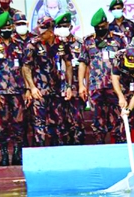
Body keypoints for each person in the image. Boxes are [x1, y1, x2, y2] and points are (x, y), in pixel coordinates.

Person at [22, 16, 73, 146]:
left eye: (43, 32)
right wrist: (32, 87)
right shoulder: (33, 44)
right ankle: (40, 151)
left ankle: (58, 150)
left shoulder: (61, 44)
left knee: (58, 122)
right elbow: (26, 67)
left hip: (57, 88)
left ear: (51, 31)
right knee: (39, 123)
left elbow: (68, 64)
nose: (40, 35)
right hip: (40, 89)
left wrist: (68, 86)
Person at [78, 8, 127, 144]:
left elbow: (127, 62)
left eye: (102, 27)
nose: (100, 29)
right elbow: (83, 63)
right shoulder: (88, 41)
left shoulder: (119, 39)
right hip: (96, 88)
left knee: (118, 122)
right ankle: (100, 150)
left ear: (106, 24)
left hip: (115, 88)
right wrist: (81, 85)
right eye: (97, 28)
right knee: (98, 123)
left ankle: (120, 150)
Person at [0, 12, 25, 166]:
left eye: (10, 26)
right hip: (0, 92)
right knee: (1, 125)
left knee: (18, 124)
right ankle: (3, 155)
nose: (8, 29)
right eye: (5, 27)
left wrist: (27, 89)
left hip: (17, 91)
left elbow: (25, 68)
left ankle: (16, 154)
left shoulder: (19, 45)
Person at [54, 12, 86, 145]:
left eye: (65, 26)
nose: (63, 28)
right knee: (60, 120)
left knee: (77, 119)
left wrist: (83, 86)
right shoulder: (52, 44)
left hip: (75, 86)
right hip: (56, 87)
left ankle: (78, 144)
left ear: (71, 26)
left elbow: (85, 65)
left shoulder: (80, 43)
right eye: (60, 26)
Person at [12, 12, 35, 147]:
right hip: (17, 85)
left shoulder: (34, 39)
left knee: (35, 117)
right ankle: (22, 146)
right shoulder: (12, 41)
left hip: (34, 83)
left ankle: (36, 145)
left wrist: (30, 87)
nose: (21, 26)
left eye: (23, 23)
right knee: (20, 118)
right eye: (18, 24)